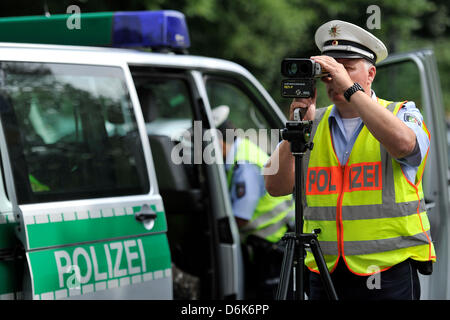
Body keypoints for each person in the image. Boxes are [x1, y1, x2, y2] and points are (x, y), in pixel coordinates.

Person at [264, 20, 435, 300]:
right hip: (325, 268)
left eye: (346, 67)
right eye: (330, 69)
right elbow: (276, 186)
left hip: (386, 271)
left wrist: (351, 90)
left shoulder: (401, 113)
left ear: (370, 74)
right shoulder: (312, 123)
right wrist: (295, 129)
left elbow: (406, 146)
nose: (336, 77)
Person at [212, 105, 295, 299]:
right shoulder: (241, 151)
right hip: (269, 243)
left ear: (218, 141)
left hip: (273, 246)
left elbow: (241, 217)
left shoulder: (245, 165)